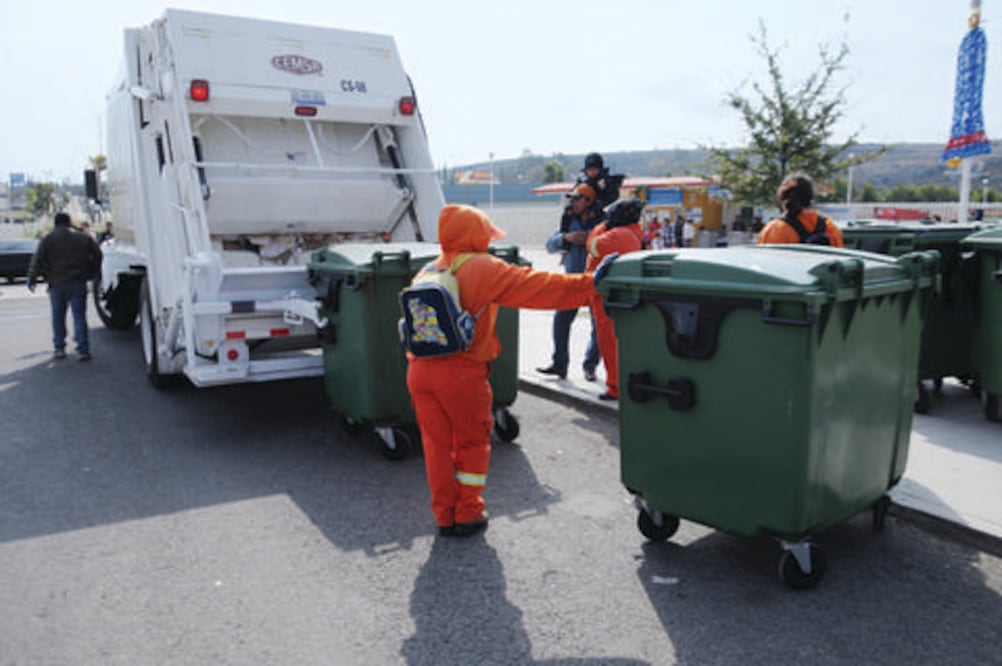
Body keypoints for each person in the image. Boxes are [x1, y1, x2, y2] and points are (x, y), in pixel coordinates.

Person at [407, 204, 598, 537]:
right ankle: (467, 513)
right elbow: (541, 287)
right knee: (471, 442)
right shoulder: (482, 268)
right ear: (477, 234)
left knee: (436, 445)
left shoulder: (427, 270)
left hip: (420, 371)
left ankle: (444, 515)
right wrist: (593, 284)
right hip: (461, 373)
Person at [537, 183, 602, 381]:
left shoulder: (601, 223)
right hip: (572, 281)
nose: (572, 202)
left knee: (598, 326)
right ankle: (559, 364)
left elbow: (610, 243)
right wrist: (566, 237)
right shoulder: (568, 221)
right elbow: (549, 245)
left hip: (594, 281)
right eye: (572, 199)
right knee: (561, 322)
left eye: (577, 199)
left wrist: (590, 240)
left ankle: (590, 366)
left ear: (588, 201)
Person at [585, 198, 645, 401]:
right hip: (621, 294)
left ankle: (615, 387)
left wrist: (602, 226)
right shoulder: (634, 233)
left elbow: (592, 246)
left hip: (607, 295)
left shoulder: (617, 234)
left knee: (609, 342)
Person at [27, 212, 103, 361]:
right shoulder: (82, 236)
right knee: (79, 316)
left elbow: (37, 260)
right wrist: (92, 271)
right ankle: (83, 349)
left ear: (55, 223)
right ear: (69, 222)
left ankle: (60, 348)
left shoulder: (47, 239)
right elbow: (98, 254)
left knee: (58, 317)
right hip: (78, 281)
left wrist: (32, 278)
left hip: (56, 283)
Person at [757, 172, 845, 247]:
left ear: (782, 198)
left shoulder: (774, 229)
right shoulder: (831, 228)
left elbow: (766, 263)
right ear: (810, 197)